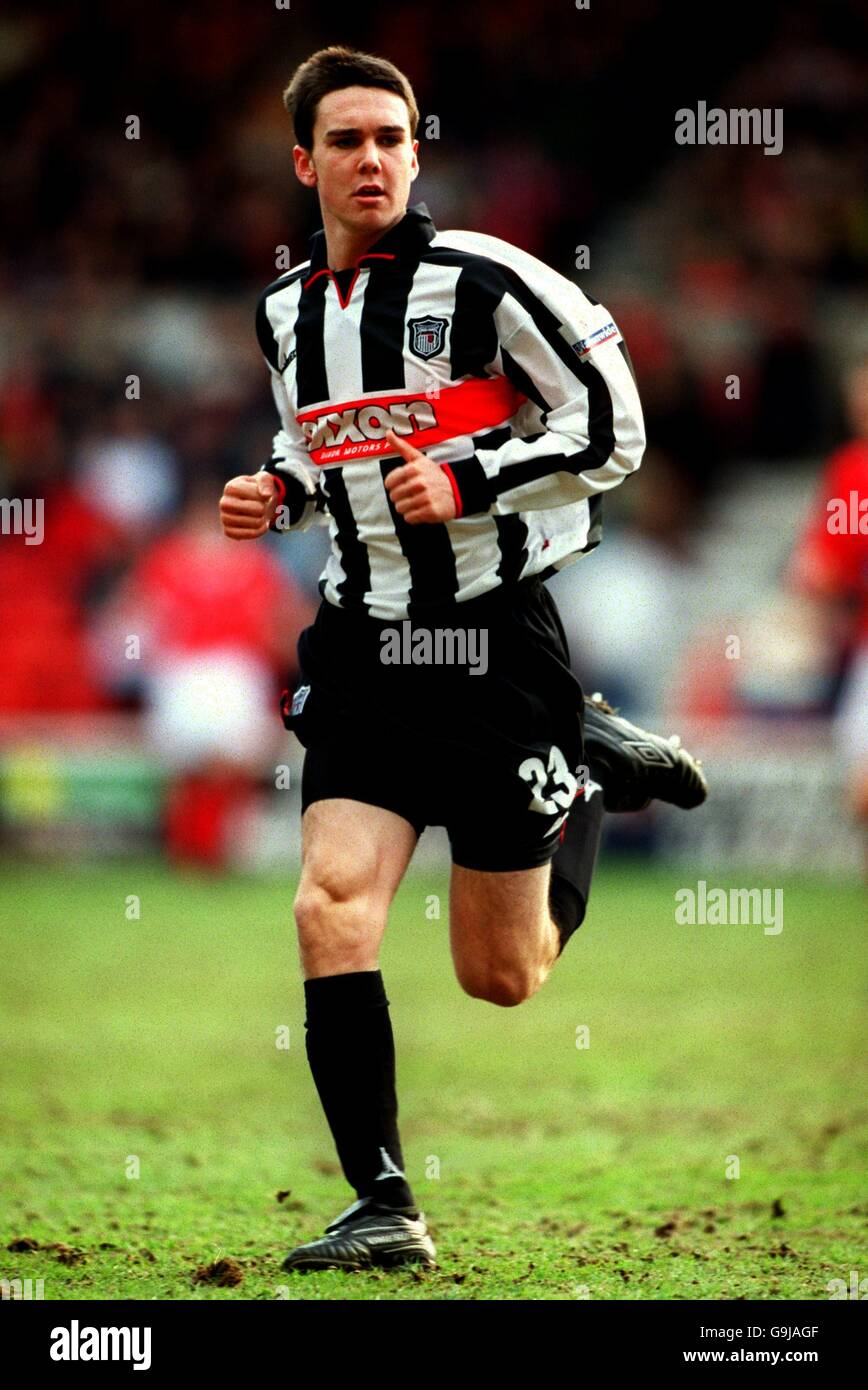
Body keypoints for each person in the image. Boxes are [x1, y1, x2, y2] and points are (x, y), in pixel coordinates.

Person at [219, 46, 708, 1272]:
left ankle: (584, 766)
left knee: (504, 975)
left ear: (416, 151)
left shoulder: (489, 278)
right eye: (345, 141)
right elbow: (327, 451)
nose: (371, 158)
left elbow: (612, 425)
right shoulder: (283, 315)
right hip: (363, 642)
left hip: (494, 643)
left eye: (391, 137)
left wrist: (474, 477)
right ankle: (384, 1200)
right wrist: (276, 489)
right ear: (304, 163)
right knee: (329, 904)